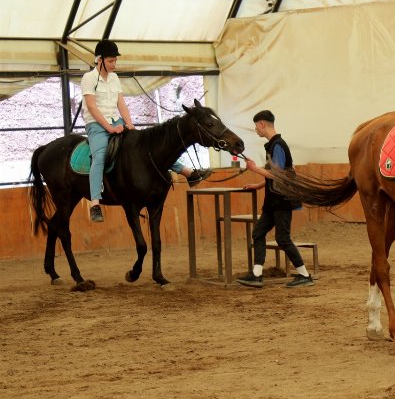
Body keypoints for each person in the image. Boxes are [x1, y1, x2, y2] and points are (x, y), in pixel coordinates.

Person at [82, 39, 211, 222]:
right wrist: (109, 128)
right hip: (96, 125)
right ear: (100, 60)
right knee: (99, 156)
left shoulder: (115, 78)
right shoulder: (89, 78)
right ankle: (95, 203)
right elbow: (92, 107)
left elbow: (121, 103)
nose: (114, 64)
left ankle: (188, 173)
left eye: (115, 61)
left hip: (117, 121)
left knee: (149, 146)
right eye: (111, 61)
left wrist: (130, 124)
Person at [237, 110, 314, 289]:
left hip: (282, 200)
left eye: (256, 126)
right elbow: (280, 173)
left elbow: (278, 175)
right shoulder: (273, 145)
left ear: (262, 124)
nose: (256, 129)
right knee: (258, 233)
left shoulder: (278, 145)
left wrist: (254, 168)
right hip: (273, 201)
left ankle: (304, 275)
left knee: (283, 238)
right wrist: (258, 185)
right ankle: (256, 275)